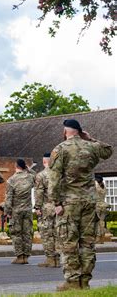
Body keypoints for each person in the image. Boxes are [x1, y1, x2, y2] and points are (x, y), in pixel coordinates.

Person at [49, 119, 113, 291]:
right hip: (89, 201)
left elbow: (54, 179)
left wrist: (56, 202)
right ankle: (84, 281)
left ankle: (72, 281)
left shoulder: (61, 149)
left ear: (65, 131)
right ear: (79, 131)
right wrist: (90, 139)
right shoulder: (91, 147)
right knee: (87, 243)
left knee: (69, 242)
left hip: (69, 202)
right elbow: (108, 151)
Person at [4, 159, 35, 265]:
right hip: (27, 210)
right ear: (24, 167)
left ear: (15, 166)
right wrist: (29, 170)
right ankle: (26, 256)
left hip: (16, 211)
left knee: (17, 233)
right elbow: (38, 177)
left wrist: (7, 211)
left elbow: (9, 198)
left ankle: (20, 256)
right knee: (27, 233)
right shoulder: (30, 177)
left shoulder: (11, 180)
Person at [34, 152, 60, 268]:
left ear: (44, 162)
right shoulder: (59, 174)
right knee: (57, 233)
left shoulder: (41, 175)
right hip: (59, 207)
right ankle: (57, 259)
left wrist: (37, 207)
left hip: (46, 207)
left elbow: (39, 192)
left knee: (47, 234)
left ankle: (50, 258)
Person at [95, 175, 110, 242]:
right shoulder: (104, 187)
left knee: (97, 223)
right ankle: (102, 238)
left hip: (97, 206)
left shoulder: (96, 186)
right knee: (102, 222)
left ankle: (98, 238)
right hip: (104, 205)